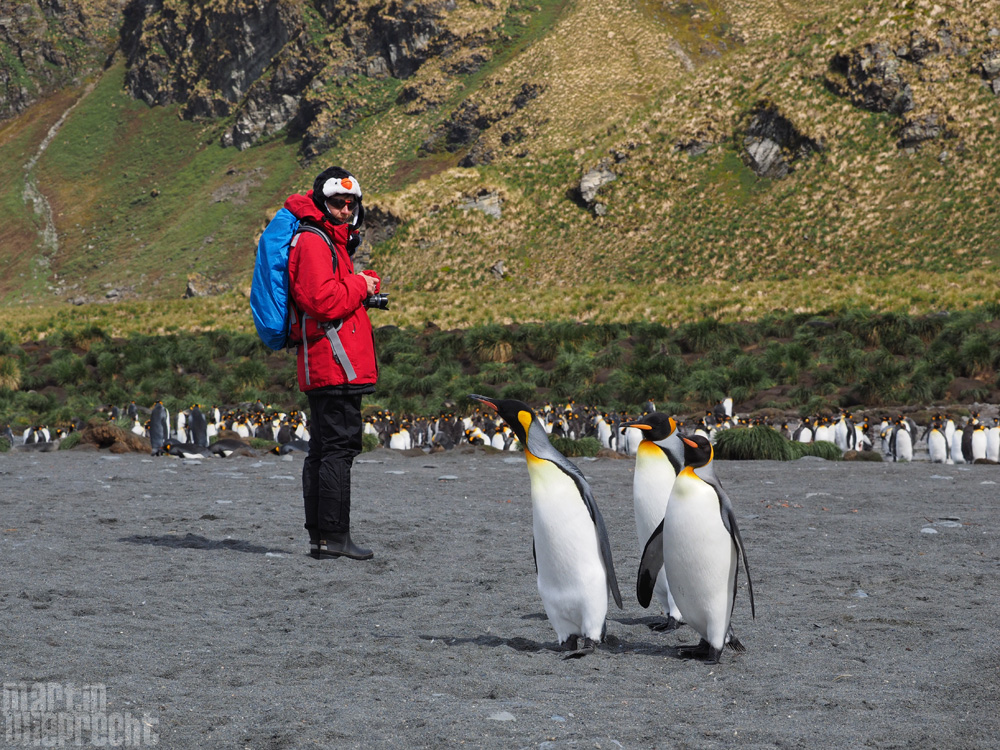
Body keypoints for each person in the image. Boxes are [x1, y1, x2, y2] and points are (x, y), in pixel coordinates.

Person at [285, 166, 380, 560]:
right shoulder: (313, 240)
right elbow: (321, 301)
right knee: (337, 449)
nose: (344, 209)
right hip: (333, 363)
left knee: (325, 448)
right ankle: (333, 537)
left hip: (331, 361)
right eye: (337, 203)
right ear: (322, 202)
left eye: (350, 203)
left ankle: (321, 538)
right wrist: (362, 284)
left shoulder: (329, 240)